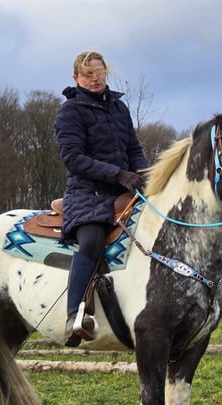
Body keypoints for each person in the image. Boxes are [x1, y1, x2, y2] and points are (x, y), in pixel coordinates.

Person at [54, 50, 148, 345]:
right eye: (88, 75)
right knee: (93, 239)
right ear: (76, 78)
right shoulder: (70, 112)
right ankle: (75, 315)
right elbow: (73, 158)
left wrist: (144, 174)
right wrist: (119, 175)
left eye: (99, 74)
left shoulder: (119, 108)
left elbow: (133, 148)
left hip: (125, 191)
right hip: (88, 193)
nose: (95, 80)